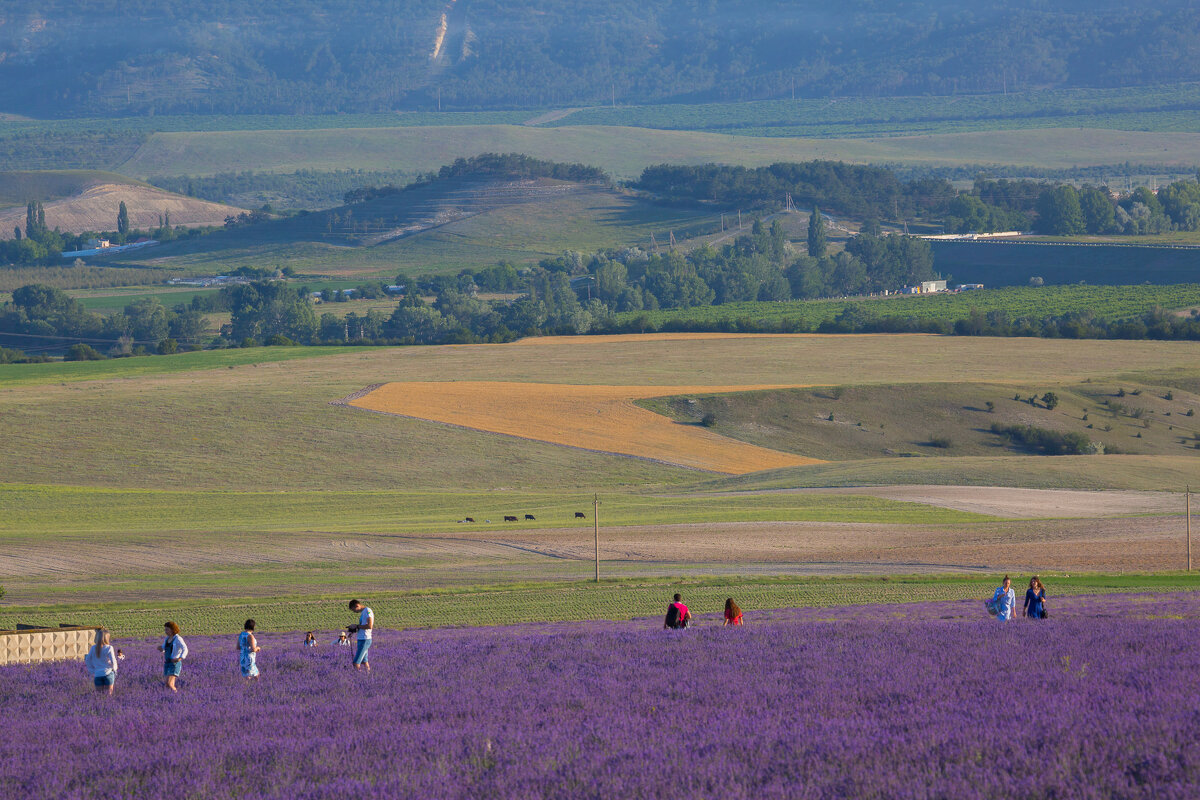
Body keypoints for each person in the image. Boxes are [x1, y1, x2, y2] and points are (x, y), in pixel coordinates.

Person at [84, 628, 118, 695]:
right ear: (107, 638)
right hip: (108, 674)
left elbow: (87, 660)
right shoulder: (109, 647)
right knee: (108, 696)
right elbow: (113, 661)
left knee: (99, 696)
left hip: (97, 675)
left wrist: (92, 670)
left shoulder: (93, 648)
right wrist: (115, 669)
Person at [158, 621, 188, 692]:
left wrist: (180, 658)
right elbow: (165, 649)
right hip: (167, 663)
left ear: (172, 629)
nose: (166, 631)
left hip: (174, 663)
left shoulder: (178, 639)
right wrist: (161, 649)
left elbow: (185, 648)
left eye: (167, 629)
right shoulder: (167, 639)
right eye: (165, 630)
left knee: (170, 684)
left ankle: (177, 695)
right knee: (167, 684)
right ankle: (172, 698)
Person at [347, 599, 374, 671]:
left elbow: (369, 626)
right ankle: (368, 677)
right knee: (364, 662)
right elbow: (363, 626)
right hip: (362, 639)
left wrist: (357, 626)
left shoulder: (368, 611)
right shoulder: (363, 612)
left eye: (354, 610)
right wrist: (354, 628)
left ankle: (359, 678)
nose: (354, 612)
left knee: (356, 663)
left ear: (357, 605)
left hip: (365, 639)